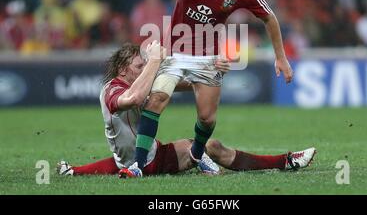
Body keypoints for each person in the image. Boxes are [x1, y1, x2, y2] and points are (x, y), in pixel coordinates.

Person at [127, 0, 294, 177]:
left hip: (209, 58)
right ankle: (138, 164)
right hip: (173, 50)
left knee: (206, 118)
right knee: (157, 99)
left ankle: (196, 155)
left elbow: (270, 18)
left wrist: (281, 58)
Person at [57, 42, 316, 177]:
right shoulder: (112, 90)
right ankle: (286, 161)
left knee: (132, 158)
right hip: (149, 162)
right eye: (139, 66)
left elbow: (181, 84)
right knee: (213, 147)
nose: (144, 69)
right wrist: (156, 60)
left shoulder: (134, 83)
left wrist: (210, 72)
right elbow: (134, 99)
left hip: (146, 154)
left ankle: (200, 157)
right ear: (123, 70)